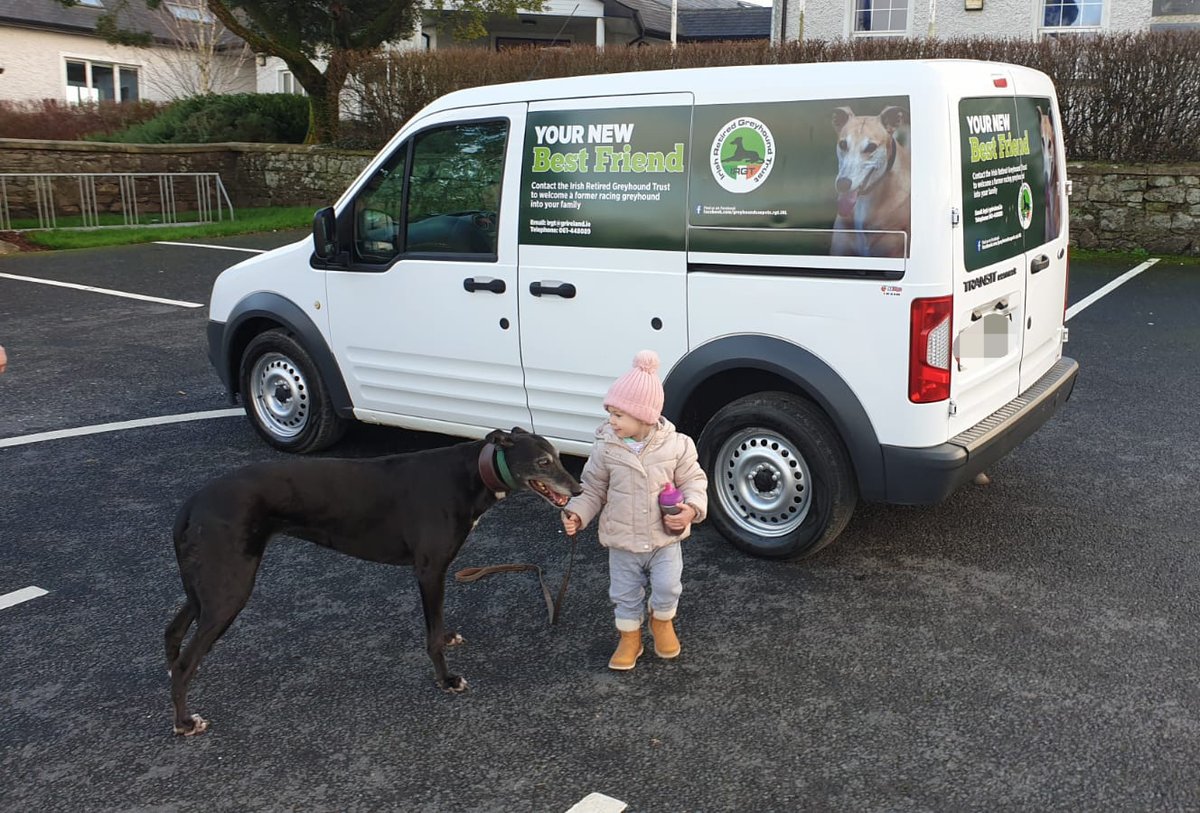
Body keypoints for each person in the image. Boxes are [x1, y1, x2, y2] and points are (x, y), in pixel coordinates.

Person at [561, 350, 708, 671]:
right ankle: (630, 639)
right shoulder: (606, 448)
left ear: (645, 416)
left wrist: (692, 508)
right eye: (610, 413)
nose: (611, 421)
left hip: (664, 538)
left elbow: (695, 480)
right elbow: (593, 488)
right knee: (624, 593)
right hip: (623, 539)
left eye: (618, 415)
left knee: (669, 586)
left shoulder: (677, 446)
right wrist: (577, 513)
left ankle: (661, 620)